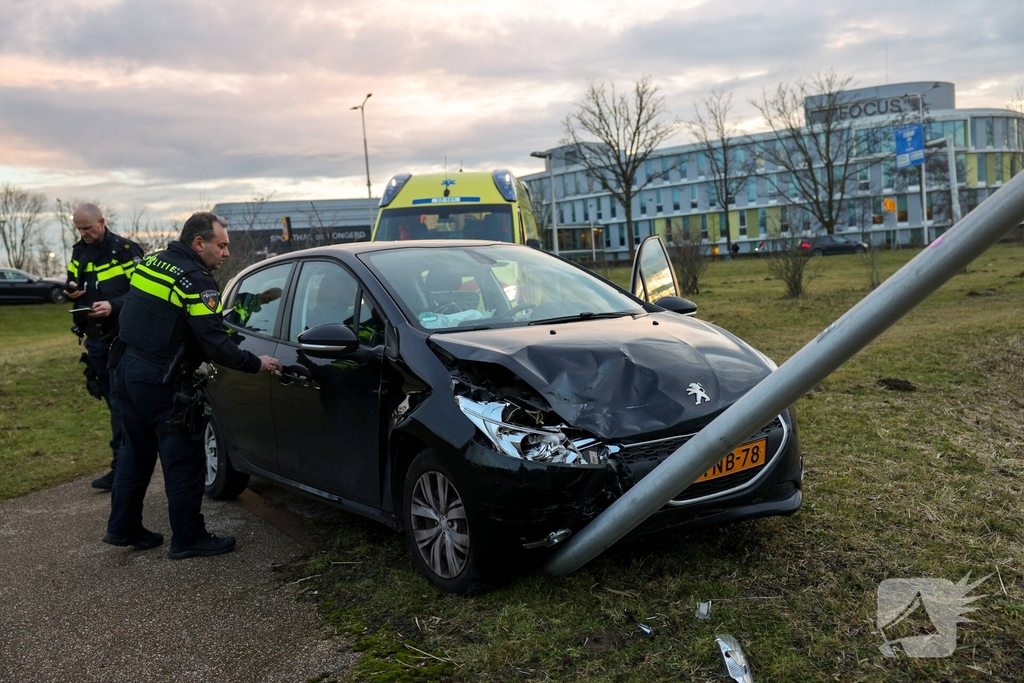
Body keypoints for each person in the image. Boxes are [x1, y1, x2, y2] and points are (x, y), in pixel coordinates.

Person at [105, 212, 281, 557]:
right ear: (198, 243)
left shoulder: (153, 262)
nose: (226, 253)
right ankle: (188, 539)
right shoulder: (195, 279)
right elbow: (214, 341)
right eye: (222, 245)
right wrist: (255, 362)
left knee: (134, 454)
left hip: (126, 371)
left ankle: (122, 527)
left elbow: (159, 314)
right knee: (183, 459)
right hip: (162, 380)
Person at [64, 203, 144, 490]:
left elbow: (142, 291)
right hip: (94, 340)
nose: (83, 233)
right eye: (79, 229)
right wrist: (71, 290)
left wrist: (113, 305)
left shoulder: (124, 250)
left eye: (87, 228)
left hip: (120, 339)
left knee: (121, 406)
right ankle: (124, 467)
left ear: (101, 221)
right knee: (114, 406)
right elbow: (73, 278)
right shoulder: (79, 250)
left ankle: (122, 471)